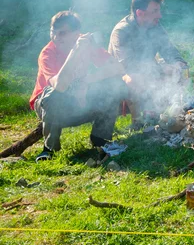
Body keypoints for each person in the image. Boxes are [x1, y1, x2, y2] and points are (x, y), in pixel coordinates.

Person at [30, 11, 127, 162]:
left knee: (115, 84)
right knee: (53, 94)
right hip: (50, 106)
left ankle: (100, 139)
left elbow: (118, 69)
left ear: (76, 34)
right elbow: (60, 86)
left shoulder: (86, 45)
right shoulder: (48, 53)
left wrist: (88, 80)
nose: (56, 37)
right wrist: (74, 53)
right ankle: (49, 149)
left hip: (78, 102)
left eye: (62, 33)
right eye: (53, 32)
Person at [108, 0, 189, 125]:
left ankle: (157, 111)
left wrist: (178, 63)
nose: (160, 15)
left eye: (159, 10)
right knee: (135, 78)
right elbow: (129, 66)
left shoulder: (154, 25)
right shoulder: (121, 31)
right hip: (119, 77)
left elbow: (168, 49)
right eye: (155, 11)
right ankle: (137, 121)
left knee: (179, 70)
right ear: (140, 13)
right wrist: (162, 69)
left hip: (149, 71)